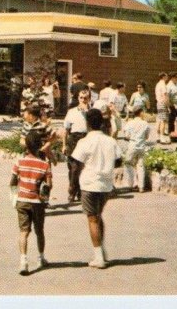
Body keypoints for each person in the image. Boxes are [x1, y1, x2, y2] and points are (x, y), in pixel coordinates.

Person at [71, 108, 121, 269]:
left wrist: (72, 186)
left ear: (87, 123)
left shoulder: (85, 141)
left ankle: (99, 257)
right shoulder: (110, 141)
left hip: (89, 183)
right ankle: (101, 251)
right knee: (98, 216)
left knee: (92, 218)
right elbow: (119, 160)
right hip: (106, 185)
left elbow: (75, 165)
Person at [10, 130, 52, 275]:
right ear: (40, 146)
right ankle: (41, 258)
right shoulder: (44, 165)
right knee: (39, 231)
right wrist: (45, 198)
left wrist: (15, 196)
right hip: (37, 202)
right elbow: (48, 186)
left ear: (26, 146)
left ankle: (23, 261)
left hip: (22, 201)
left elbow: (13, 182)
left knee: (23, 232)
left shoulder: (19, 162)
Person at [62, 90, 90, 202]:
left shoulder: (91, 112)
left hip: (86, 138)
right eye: (81, 98)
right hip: (74, 139)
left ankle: (80, 192)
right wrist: (64, 145)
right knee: (73, 168)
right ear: (78, 98)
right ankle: (72, 191)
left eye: (85, 98)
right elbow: (65, 130)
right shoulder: (71, 112)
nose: (83, 100)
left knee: (84, 168)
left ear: (89, 99)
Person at [121, 106, 150, 193]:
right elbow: (147, 137)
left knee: (128, 163)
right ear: (140, 113)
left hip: (132, 144)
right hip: (141, 145)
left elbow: (126, 135)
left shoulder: (130, 123)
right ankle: (141, 186)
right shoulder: (145, 123)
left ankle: (131, 183)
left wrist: (131, 136)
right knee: (140, 165)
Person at [154, 73, 169, 142]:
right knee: (163, 120)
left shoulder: (158, 84)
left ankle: (157, 136)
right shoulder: (163, 84)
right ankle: (162, 137)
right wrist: (167, 105)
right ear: (163, 77)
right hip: (163, 103)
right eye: (166, 76)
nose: (167, 77)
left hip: (158, 103)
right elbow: (165, 95)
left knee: (159, 120)